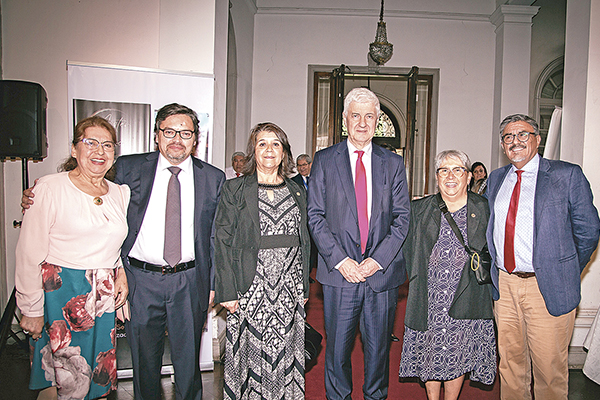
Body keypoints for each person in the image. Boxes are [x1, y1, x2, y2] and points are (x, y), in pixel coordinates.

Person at [486, 114, 600, 400]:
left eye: (523, 135)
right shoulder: (497, 178)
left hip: (546, 287)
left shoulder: (566, 175)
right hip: (505, 285)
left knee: (549, 371)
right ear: (502, 145)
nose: (515, 142)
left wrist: (565, 268)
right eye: (508, 137)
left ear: (538, 138)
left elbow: (588, 230)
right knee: (510, 366)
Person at [16, 116, 130, 400]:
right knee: (59, 381)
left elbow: (113, 244)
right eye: (90, 143)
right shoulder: (49, 188)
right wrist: (30, 307)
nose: (99, 151)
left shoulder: (118, 193)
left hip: (101, 297)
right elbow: (29, 252)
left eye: (107, 145)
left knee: (99, 379)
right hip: (60, 295)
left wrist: (120, 273)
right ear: (73, 149)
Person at [307, 87, 410, 400]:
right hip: (340, 276)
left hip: (380, 276)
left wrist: (376, 261)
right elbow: (315, 216)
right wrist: (342, 261)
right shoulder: (324, 160)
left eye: (369, 116)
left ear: (377, 120)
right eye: (356, 115)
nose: (362, 122)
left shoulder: (393, 164)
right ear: (344, 120)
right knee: (337, 353)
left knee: (379, 354)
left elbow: (403, 218)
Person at [214, 122, 310, 399]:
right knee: (251, 352)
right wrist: (228, 290)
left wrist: (303, 285)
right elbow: (222, 240)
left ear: (284, 152)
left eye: (276, 144)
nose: (269, 150)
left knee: (285, 352)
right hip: (250, 286)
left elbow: (304, 240)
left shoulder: (297, 190)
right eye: (262, 144)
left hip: (289, 289)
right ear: (253, 151)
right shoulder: (235, 189)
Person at [399, 150, 496, 400]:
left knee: (458, 351)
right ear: (437, 177)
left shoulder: (483, 208)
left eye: (457, 170)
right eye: (444, 170)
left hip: (467, 293)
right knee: (431, 351)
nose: (450, 176)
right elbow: (408, 249)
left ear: (468, 177)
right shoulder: (419, 209)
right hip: (430, 296)